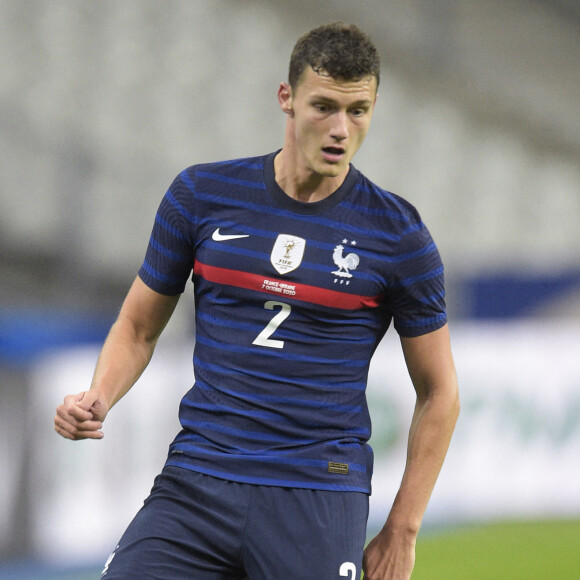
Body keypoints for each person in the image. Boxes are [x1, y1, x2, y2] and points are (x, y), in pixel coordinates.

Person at [54, 22, 459, 580]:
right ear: (286, 99)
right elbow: (137, 328)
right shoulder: (201, 196)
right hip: (199, 478)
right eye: (324, 106)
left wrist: (402, 529)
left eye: (359, 110)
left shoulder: (397, 236)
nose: (341, 128)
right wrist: (100, 394)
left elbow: (439, 392)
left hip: (316, 491)